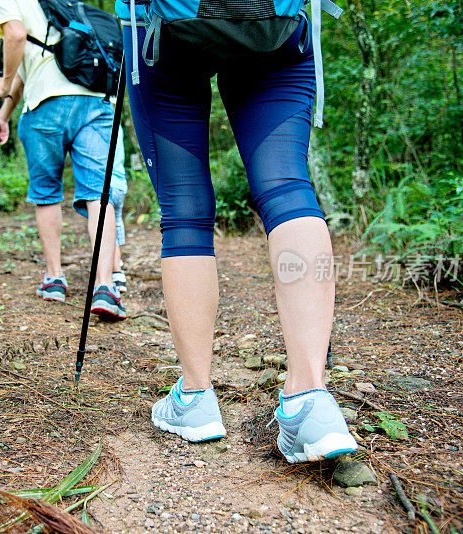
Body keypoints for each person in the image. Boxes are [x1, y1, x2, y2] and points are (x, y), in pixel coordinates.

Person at [118, 4, 358, 462]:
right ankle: (311, 398)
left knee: (184, 209)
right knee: (287, 188)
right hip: (277, 23)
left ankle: (195, 398)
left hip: (163, 34)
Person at [0, 0, 126, 321]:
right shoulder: (62, 5)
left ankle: (54, 278)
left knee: (46, 194)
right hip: (97, 98)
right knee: (98, 195)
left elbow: (17, 37)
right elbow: (34, 60)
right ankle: (104, 286)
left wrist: (2, 86)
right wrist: (4, 114)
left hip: (46, 106)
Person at [111, 132, 128, 294]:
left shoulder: (99, 122)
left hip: (106, 182)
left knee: (106, 227)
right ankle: (118, 264)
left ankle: (116, 272)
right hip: (120, 183)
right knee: (117, 222)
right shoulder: (119, 128)